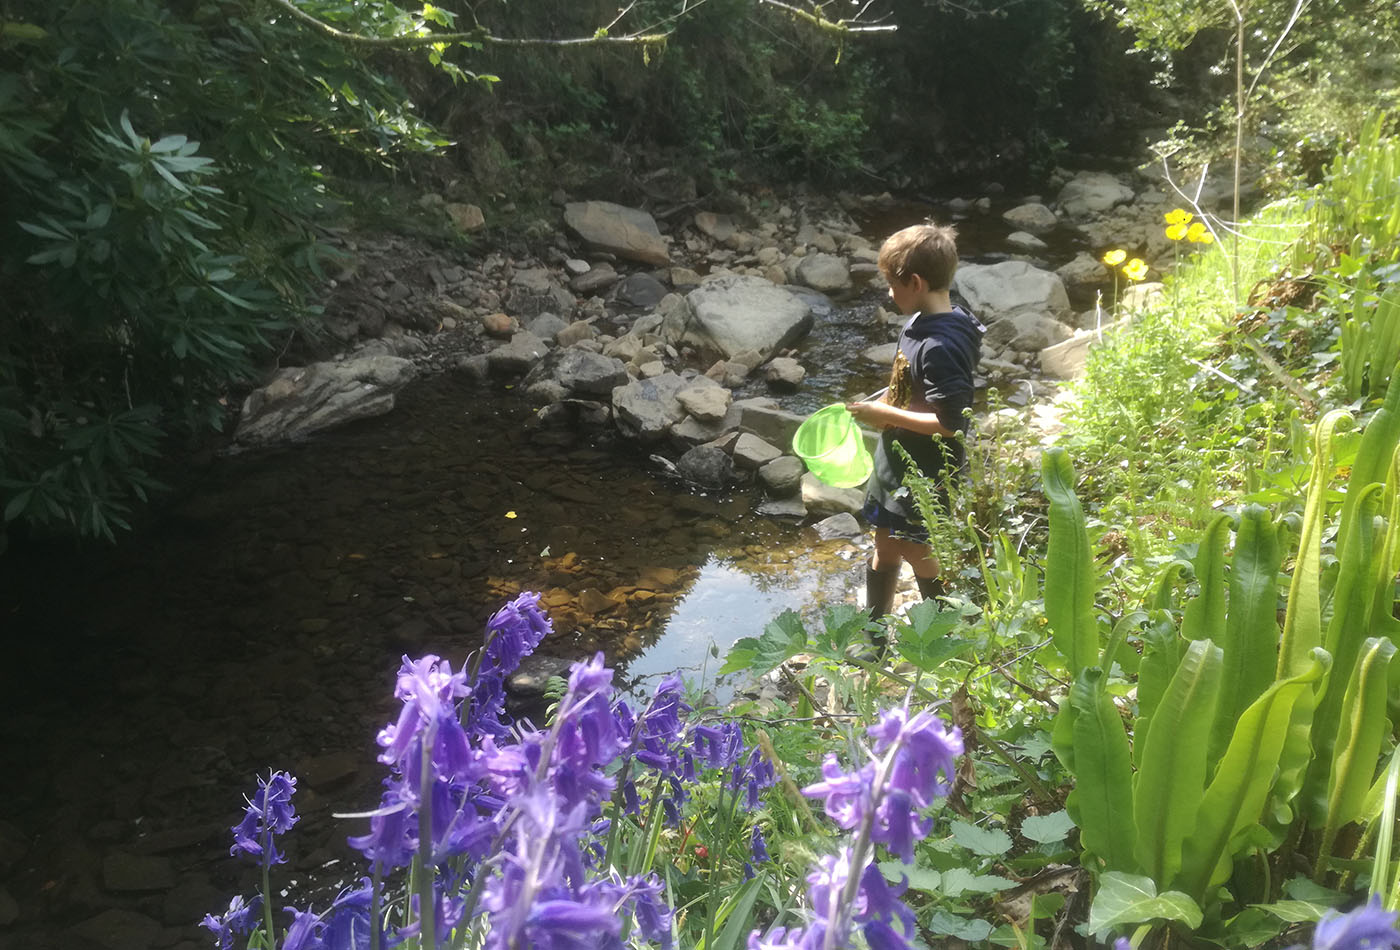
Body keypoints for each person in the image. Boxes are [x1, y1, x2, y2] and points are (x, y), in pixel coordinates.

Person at [846, 223, 984, 645]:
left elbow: (950, 424)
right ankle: (874, 639)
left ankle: (942, 636)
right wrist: (883, 402)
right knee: (884, 546)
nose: (889, 294)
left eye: (891, 284)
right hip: (896, 459)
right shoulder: (925, 320)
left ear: (917, 282)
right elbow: (907, 381)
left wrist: (885, 413)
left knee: (921, 553)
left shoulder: (941, 346)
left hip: (922, 472)